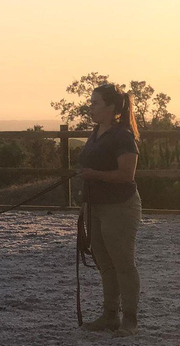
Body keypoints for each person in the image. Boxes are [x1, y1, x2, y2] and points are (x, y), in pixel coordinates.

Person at [77, 83, 141, 336]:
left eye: (95, 103)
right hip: (96, 205)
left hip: (119, 207)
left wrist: (94, 175)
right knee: (104, 262)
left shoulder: (122, 136)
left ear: (111, 107)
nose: (90, 107)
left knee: (123, 263)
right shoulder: (96, 132)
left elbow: (127, 175)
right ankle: (110, 314)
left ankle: (130, 320)